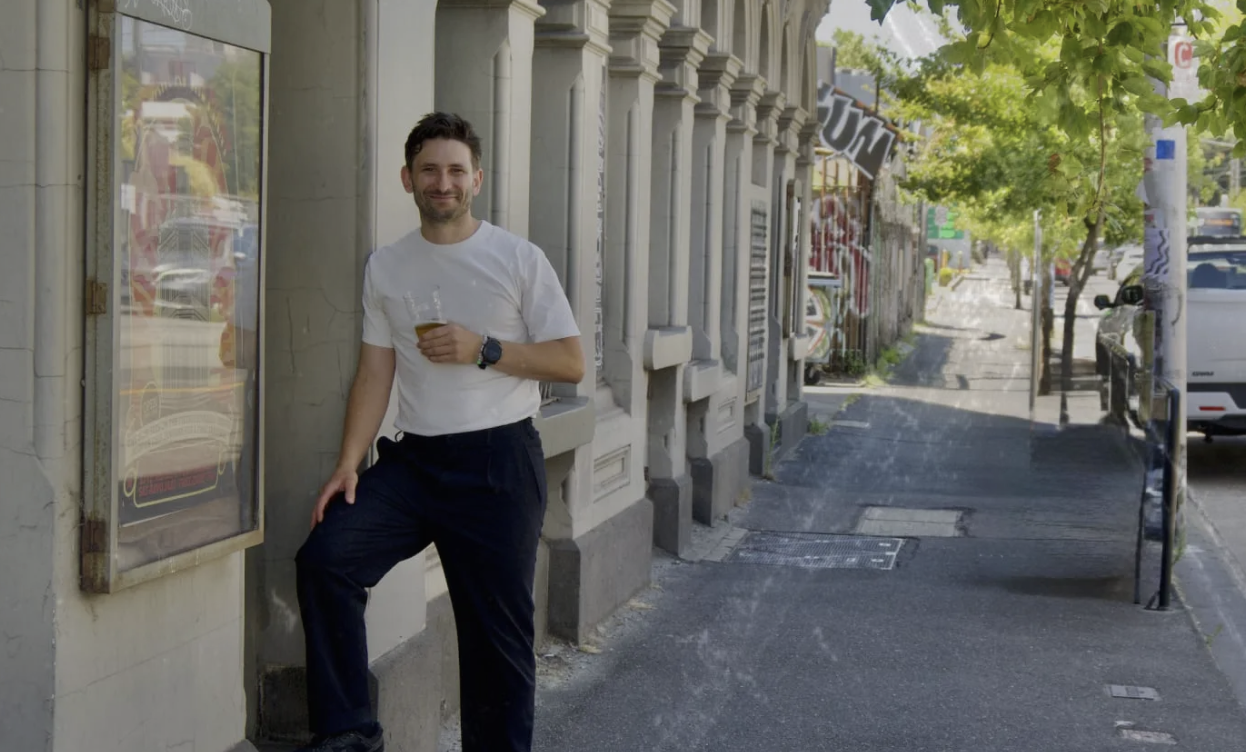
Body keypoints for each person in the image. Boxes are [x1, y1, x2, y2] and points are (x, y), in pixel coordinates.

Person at [294, 112, 585, 752]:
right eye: (429, 169)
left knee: (495, 641)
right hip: (415, 463)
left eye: (456, 170)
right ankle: (346, 733)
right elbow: (375, 372)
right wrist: (349, 463)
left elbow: (570, 361)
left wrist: (485, 349)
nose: (442, 181)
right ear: (408, 178)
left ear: (476, 179)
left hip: (498, 463)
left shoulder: (516, 258)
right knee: (325, 560)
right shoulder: (387, 268)